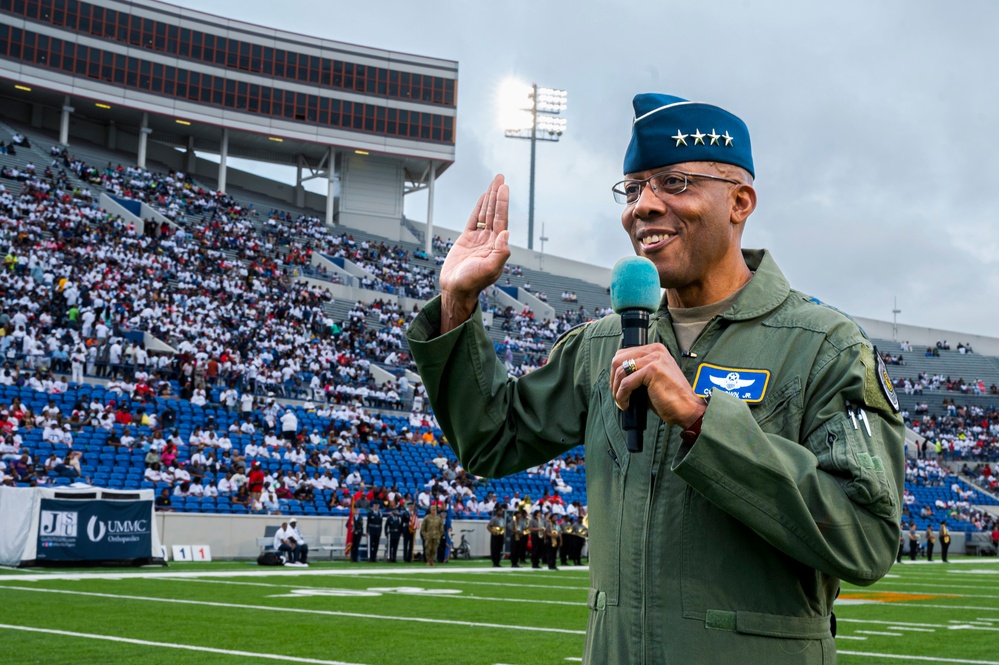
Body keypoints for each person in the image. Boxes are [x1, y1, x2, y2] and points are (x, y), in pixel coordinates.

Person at [406, 92, 905, 662]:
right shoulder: (602, 344)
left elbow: (866, 539)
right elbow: (491, 440)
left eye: (674, 182)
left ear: (740, 201)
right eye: (633, 188)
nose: (642, 206)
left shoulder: (823, 346)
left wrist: (701, 422)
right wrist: (457, 300)